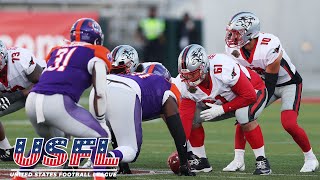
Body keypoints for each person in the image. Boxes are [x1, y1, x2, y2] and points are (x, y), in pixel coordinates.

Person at [12, 18, 112, 180]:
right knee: (100, 137)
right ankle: (100, 176)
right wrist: (100, 121)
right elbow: (100, 92)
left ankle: (20, 175)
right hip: (56, 102)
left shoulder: (57, 51)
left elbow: (47, 78)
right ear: (96, 38)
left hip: (32, 101)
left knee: (51, 142)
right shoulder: (97, 53)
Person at [224, 12, 319, 173]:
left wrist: (253, 105)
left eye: (237, 32)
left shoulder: (269, 45)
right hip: (263, 83)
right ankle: (238, 160)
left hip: (288, 83)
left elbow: (270, 83)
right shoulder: (234, 49)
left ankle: (311, 158)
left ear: (249, 33)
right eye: (232, 32)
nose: (232, 36)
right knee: (244, 115)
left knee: (288, 123)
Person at [178, 44, 271, 175]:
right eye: (185, 75)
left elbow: (249, 95)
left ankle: (262, 160)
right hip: (221, 102)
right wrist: (181, 149)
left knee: (243, 114)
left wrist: (222, 109)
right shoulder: (184, 83)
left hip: (254, 91)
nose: (188, 79)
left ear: (203, 67)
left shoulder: (222, 67)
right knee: (193, 116)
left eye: (193, 74)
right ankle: (201, 161)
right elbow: (185, 119)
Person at [88, 71, 195, 176]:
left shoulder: (148, 82)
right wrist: (184, 163)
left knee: (100, 136)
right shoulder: (169, 89)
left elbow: (117, 127)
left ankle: (79, 162)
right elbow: (178, 131)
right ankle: (107, 159)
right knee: (131, 149)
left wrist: (123, 166)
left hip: (100, 86)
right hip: (123, 91)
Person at [0, 40, 45, 161]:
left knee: (45, 114)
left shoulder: (19, 59)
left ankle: (49, 147)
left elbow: (43, 82)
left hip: (41, 90)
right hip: (16, 93)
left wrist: (15, 96)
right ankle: (6, 150)